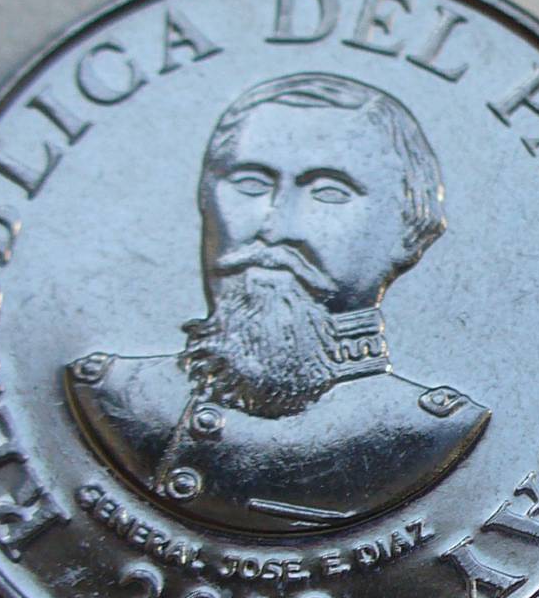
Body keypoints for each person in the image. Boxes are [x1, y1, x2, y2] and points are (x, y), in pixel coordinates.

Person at [65, 72, 488, 533]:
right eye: (250, 183)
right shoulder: (107, 393)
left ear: (411, 229)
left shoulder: (431, 435)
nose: (275, 226)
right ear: (206, 200)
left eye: (329, 192)